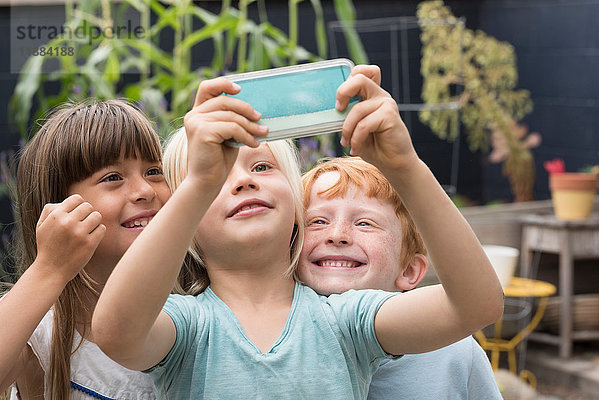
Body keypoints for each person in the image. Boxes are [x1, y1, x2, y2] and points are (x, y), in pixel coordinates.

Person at [91, 67, 504, 399]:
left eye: (262, 167)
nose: (241, 182)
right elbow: (115, 333)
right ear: (185, 227)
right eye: (216, 176)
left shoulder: (345, 320)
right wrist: (198, 183)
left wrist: (405, 166)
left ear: (296, 209)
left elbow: (476, 306)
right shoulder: (188, 327)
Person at [0, 100, 168, 399]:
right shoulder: (42, 334)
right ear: (57, 209)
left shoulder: (196, 303)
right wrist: (49, 269)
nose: (145, 191)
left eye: (155, 171)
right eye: (113, 178)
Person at [300, 156, 502, 399]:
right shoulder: (276, 340)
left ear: (408, 270)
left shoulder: (455, 352)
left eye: (365, 223)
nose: (337, 234)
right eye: (317, 221)